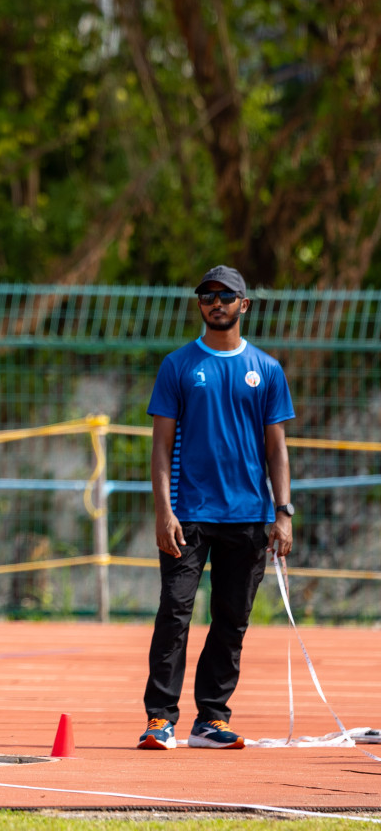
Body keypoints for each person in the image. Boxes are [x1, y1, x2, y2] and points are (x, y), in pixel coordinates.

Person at [138, 265, 295, 751]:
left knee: (232, 621)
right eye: (207, 295)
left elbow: (277, 450)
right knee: (174, 614)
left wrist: (283, 512)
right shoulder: (179, 366)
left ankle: (211, 718)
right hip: (189, 515)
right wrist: (165, 511)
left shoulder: (266, 370)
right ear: (200, 304)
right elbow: (161, 447)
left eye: (226, 295)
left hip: (249, 516)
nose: (216, 302)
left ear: (243, 304)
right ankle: (160, 718)